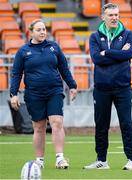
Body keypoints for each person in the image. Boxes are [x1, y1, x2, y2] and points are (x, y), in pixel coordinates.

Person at [10, 19, 77, 169]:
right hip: (34, 94)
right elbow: (16, 74)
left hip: (54, 91)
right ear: (31, 32)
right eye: (39, 30)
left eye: (44, 29)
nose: (42, 32)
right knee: (39, 127)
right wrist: (13, 94)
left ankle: (60, 158)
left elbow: (64, 68)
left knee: (57, 122)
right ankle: (39, 160)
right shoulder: (23, 51)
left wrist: (72, 86)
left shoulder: (54, 47)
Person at [84, 3, 132, 170]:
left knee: (126, 123)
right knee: (101, 125)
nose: (114, 17)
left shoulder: (128, 35)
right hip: (101, 89)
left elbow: (128, 54)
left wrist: (106, 52)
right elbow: (96, 59)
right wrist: (118, 54)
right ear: (103, 17)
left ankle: (131, 161)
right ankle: (102, 161)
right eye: (111, 15)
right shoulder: (94, 37)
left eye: (116, 14)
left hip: (123, 88)